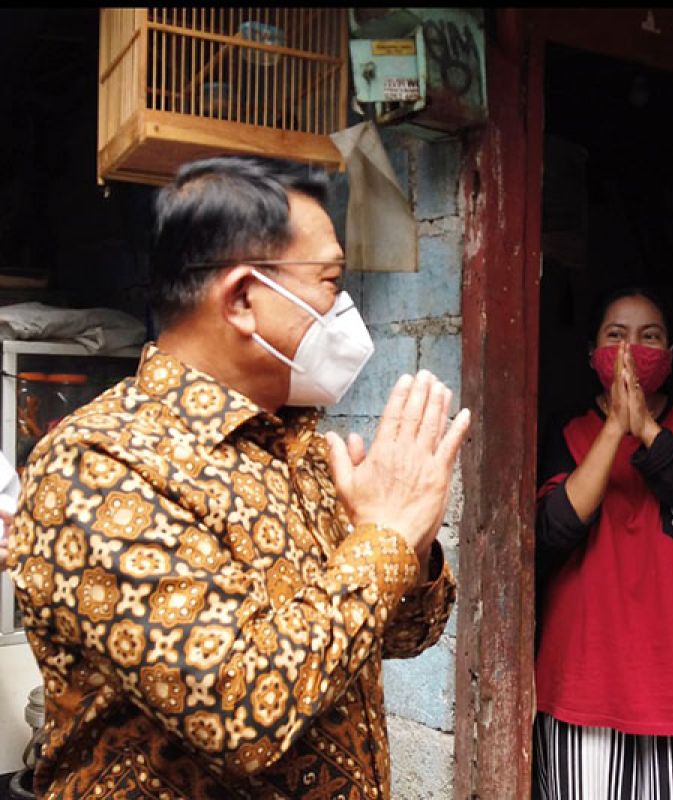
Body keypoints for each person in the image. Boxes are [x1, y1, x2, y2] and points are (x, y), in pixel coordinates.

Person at [7, 156, 470, 799]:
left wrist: (410, 546)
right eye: (331, 282)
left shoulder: (297, 443)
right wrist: (384, 539)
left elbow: (402, 634)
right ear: (245, 298)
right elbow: (241, 713)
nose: (344, 308)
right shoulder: (101, 466)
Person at [533, 287, 673, 800]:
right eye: (615, 335)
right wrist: (613, 430)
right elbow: (554, 528)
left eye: (649, 337)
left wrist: (644, 427)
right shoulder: (569, 429)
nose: (631, 349)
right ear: (592, 353)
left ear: (669, 356)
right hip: (584, 676)